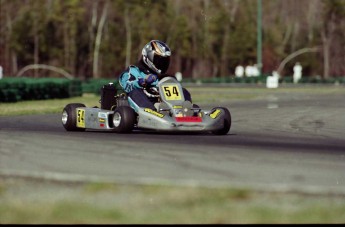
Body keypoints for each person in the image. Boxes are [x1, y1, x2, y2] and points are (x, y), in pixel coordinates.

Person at [118, 40, 191, 110]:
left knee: (183, 91)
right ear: (147, 57)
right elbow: (126, 84)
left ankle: (186, 110)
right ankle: (151, 112)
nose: (161, 64)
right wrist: (142, 82)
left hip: (164, 104)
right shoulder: (134, 71)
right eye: (158, 60)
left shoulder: (163, 77)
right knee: (135, 92)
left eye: (164, 62)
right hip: (141, 106)